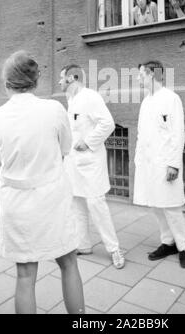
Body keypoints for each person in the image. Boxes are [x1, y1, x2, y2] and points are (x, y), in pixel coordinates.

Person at [0, 51, 85, 314]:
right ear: (35, 81)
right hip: (52, 200)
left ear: (7, 83)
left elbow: (4, 157)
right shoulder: (53, 109)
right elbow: (66, 147)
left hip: (17, 205)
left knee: (25, 276)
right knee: (69, 264)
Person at [59, 64, 125, 269]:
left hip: (90, 161)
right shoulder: (70, 100)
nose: (59, 82)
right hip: (73, 163)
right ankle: (83, 245)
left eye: (62, 78)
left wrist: (87, 141)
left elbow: (108, 123)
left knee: (97, 205)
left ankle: (114, 249)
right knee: (77, 203)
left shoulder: (90, 97)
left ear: (71, 78)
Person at [133, 60, 185, 268]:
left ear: (151, 74)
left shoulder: (171, 99)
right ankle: (168, 242)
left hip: (165, 162)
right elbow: (141, 134)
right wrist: (138, 160)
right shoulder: (146, 102)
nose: (138, 78)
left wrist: (174, 164)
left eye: (141, 74)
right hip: (149, 163)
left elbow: (178, 133)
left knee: (171, 206)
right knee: (156, 205)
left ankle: (183, 246)